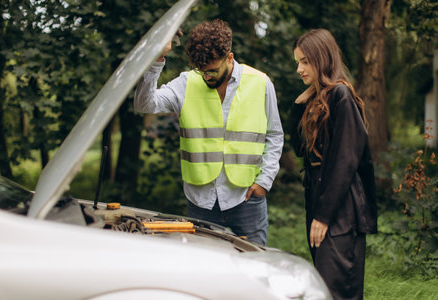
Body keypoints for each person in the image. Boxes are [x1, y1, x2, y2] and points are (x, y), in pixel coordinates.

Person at [134, 19, 283, 246]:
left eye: (212, 71)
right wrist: (157, 59)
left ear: (230, 58)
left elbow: (274, 135)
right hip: (200, 201)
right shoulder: (186, 82)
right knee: (205, 270)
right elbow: (145, 105)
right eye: (201, 71)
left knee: (255, 267)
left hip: (247, 198)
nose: (207, 77)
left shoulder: (261, 83)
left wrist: (265, 181)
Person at [289, 28, 378, 300]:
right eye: (297, 62)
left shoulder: (341, 96)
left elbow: (345, 160)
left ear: (321, 58)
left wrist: (324, 216)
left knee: (336, 289)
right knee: (324, 288)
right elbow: (299, 149)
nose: (299, 69)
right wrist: (299, 105)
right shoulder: (318, 100)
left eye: (305, 61)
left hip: (342, 208)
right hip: (319, 198)